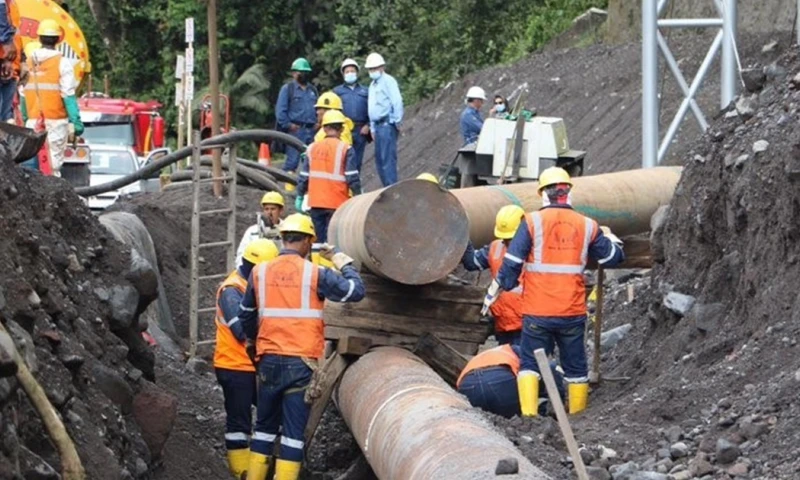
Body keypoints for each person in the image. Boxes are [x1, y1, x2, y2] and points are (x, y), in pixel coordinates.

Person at [239, 214, 365, 480]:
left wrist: (253, 342)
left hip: (269, 361)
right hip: (300, 363)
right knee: (293, 435)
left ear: (283, 238)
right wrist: (341, 259)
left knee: (263, 429)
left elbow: (246, 315)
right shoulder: (315, 273)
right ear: (308, 241)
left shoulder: (259, 272)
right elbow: (355, 291)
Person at [489, 167, 625, 416]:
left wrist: (505, 287)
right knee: (575, 367)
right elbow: (613, 257)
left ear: (543, 194)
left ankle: (528, 417)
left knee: (529, 366)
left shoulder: (531, 222)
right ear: (568, 192)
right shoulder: (588, 225)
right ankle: (577, 418)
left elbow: (511, 266)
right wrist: (613, 239)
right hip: (571, 312)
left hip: (537, 312)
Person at [214, 239, 279, 478]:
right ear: (255, 268)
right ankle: (241, 471)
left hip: (251, 365)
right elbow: (241, 331)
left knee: (268, 415)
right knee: (239, 423)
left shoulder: (249, 286)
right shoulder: (232, 290)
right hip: (234, 366)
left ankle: (259, 467)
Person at [22, 19, 84, 176]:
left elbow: (23, 96)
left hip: (32, 122)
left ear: (39, 38)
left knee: (30, 166)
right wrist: (76, 123)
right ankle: (51, 197)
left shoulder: (28, 63)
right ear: (58, 39)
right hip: (55, 122)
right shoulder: (62, 63)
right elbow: (68, 95)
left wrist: (24, 120)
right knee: (53, 166)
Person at [461, 205, 525, 345]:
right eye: (506, 238)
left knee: (528, 364)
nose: (508, 242)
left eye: (511, 238)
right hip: (503, 324)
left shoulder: (535, 251)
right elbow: (472, 262)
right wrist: (461, 232)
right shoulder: (495, 247)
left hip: (528, 327)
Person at [295, 110, 361, 244]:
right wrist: (358, 195)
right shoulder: (346, 149)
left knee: (317, 241)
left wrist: (300, 195)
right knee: (335, 242)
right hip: (337, 203)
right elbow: (351, 177)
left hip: (316, 202)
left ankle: (317, 263)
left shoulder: (312, 148)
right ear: (342, 129)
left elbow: (304, 176)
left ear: (324, 128)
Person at [457, 344, 565, 418]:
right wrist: (560, 404)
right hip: (500, 378)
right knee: (516, 418)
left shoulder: (496, 352)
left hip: (467, 384)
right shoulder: (521, 354)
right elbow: (549, 367)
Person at [275, 57, 318, 176]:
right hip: (295, 131)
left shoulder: (312, 90)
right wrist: (288, 125)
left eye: (306, 72)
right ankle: (286, 189)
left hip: (311, 131)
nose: (303, 75)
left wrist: (317, 123)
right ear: (294, 73)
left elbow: (318, 108)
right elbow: (280, 111)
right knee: (291, 163)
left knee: (312, 163)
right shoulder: (288, 89)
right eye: (301, 72)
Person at [366, 52, 403, 187]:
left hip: (387, 124)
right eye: (371, 69)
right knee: (380, 161)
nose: (373, 71)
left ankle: (392, 188)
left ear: (382, 67)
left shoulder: (389, 81)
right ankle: (386, 187)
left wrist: (397, 120)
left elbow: (397, 101)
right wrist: (372, 128)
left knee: (388, 159)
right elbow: (371, 107)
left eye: (375, 68)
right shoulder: (372, 85)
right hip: (378, 126)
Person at [333, 58, 370, 173]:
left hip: (361, 130)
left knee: (357, 160)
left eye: (352, 71)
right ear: (343, 74)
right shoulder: (337, 91)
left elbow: (372, 109)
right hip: (343, 129)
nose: (350, 73)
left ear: (357, 72)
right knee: (343, 159)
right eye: (347, 71)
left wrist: (368, 125)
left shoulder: (366, 91)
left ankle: (355, 186)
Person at [235, 191, 285, 267]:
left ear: (280, 210)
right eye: (266, 209)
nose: (269, 212)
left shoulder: (286, 230)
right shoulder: (253, 231)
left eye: (273, 209)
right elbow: (241, 254)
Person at [0, 0, 21, 122]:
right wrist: (6, 43)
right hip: (5, 61)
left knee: (5, 122)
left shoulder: (12, 4)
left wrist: (21, 59)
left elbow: (16, 34)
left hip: (9, 65)